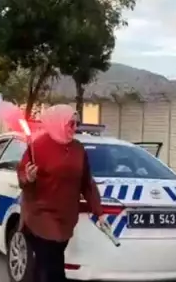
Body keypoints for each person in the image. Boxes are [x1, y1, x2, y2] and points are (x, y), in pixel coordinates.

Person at [17, 104, 106, 282]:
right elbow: (22, 177)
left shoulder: (78, 149)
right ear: (58, 123)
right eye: (70, 124)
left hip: (65, 217)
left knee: (47, 265)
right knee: (52, 268)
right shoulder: (38, 146)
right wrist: (28, 177)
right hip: (40, 215)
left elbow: (86, 182)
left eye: (76, 124)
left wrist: (99, 212)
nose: (74, 129)